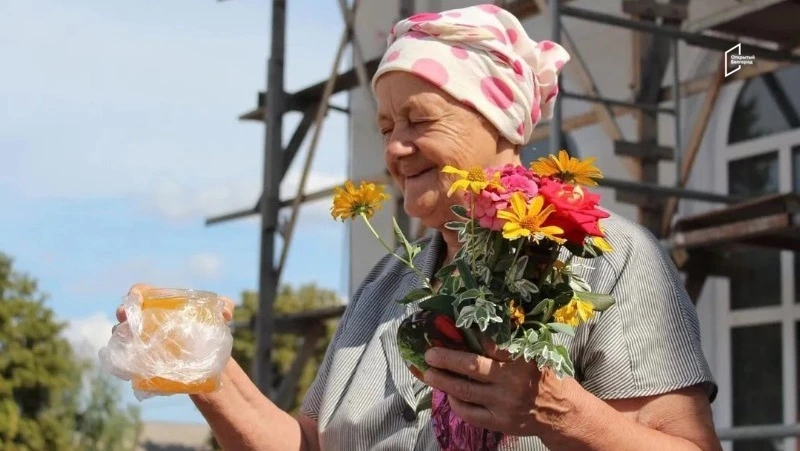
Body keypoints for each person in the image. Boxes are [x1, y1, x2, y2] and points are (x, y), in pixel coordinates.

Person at [115, 4, 720, 450]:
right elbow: (310, 446)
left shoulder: (606, 257)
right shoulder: (385, 284)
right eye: (385, 128)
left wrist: (557, 412)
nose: (395, 149)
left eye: (419, 120)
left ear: (499, 123)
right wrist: (204, 367)